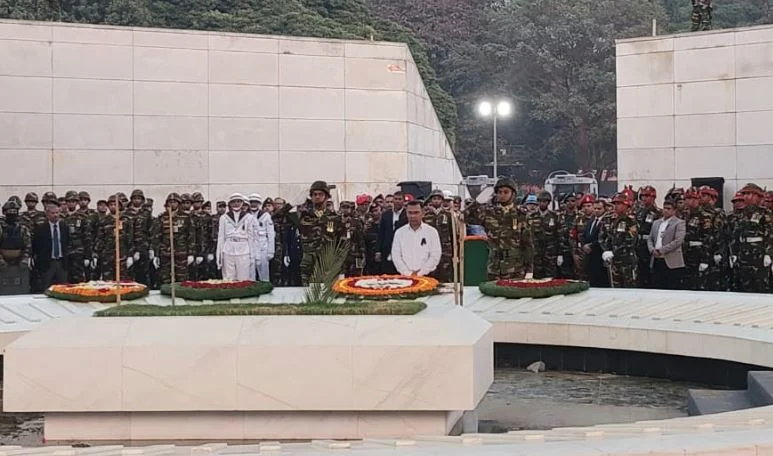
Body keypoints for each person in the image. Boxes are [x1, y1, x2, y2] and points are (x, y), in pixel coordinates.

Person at [464, 178, 533, 280]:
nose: (502, 195)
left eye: (506, 192)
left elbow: (528, 244)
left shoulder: (521, 215)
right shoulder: (489, 212)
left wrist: (530, 269)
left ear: (513, 194)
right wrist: (477, 203)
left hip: (515, 267)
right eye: (499, 192)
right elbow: (464, 217)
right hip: (494, 267)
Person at [391, 200, 441, 276]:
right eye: (410, 213)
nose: (413, 216)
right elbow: (396, 256)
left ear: (423, 213)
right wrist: (408, 273)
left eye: (416, 212)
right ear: (406, 213)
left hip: (428, 276)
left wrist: (421, 273)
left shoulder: (432, 232)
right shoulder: (399, 233)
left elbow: (435, 255)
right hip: (405, 276)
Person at [599, 192, 639, 288]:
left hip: (627, 261)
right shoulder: (608, 219)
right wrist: (606, 250)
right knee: (615, 287)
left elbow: (631, 241)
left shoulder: (631, 220)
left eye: (619, 204)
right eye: (615, 204)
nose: (616, 206)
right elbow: (602, 237)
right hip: (612, 262)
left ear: (626, 205)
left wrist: (614, 252)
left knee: (629, 287)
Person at [216, 193, 256, 281]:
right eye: (233, 202)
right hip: (228, 249)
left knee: (244, 277)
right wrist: (219, 255)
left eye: (238, 201)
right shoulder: (224, 217)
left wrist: (252, 255)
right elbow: (221, 237)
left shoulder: (249, 217)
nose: (236, 204)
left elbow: (251, 237)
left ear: (242, 203)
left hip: (243, 249)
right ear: (230, 204)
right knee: (228, 278)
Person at [648, 200, 686, 290]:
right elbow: (650, 238)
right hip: (656, 259)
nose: (665, 211)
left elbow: (678, 241)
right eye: (664, 208)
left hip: (671, 261)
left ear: (674, 210)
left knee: (671, 287)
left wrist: (661, 250)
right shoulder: (656, 223)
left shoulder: (679, 223)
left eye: (668, 209)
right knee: (657, 286)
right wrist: (652, 249)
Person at [32, 203, 70, 291]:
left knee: (63, 288)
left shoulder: (64, 227)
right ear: (47, 214)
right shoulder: (41, 228)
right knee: (45, 287)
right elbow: (36, 245)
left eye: (57, 213)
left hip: (61, 262)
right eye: (53, 213)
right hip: (47, 263)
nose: (55, 215)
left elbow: (67, 242)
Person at [377, 191, 408, 274]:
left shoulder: (408, 214)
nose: (397, 201)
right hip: (387, 250)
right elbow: (381, 233)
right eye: (396, 199)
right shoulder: (386, 215)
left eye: (400, 199)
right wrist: (378, 251)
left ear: (404, 201)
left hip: (403, 251)